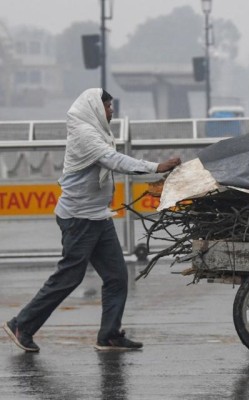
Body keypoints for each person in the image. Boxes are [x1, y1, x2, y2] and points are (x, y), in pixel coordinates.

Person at [3, 88, 181, 352]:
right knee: (69, 277)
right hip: (79, 218)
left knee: (117, 276)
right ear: (96, 109)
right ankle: (22, 325)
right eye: (108, 107)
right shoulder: (85, 134)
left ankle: (109, 335)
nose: (111, 112)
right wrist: (156, 167)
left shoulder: (96, 131)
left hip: (97, 216)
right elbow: (113, 160)